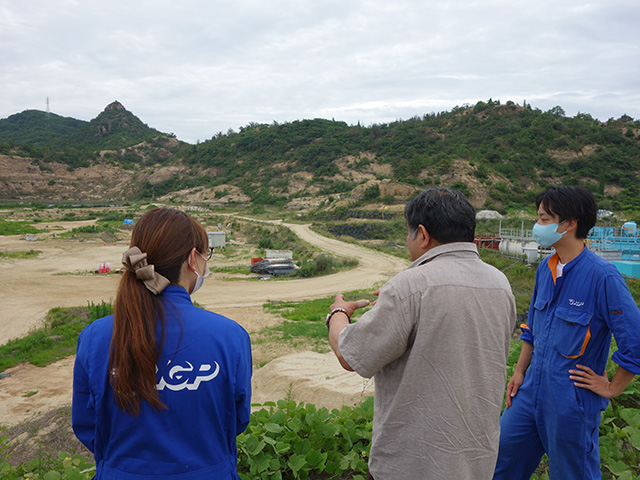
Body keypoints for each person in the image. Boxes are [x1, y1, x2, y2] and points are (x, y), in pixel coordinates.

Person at [327, 187, 516, 480]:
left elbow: (349, 355)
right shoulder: (500, 284)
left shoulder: (409, 285)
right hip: (476, 463)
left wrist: (338, 313)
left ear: (423, 235)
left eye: (409, 233)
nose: (408, 241)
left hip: (414, 464)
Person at [72, 208, 252, 480]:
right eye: (206, 256)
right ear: (193, 259)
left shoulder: (94, 337)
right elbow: (237, 419)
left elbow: (87, 425)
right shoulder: (229, 336)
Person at [493, 186, 640, 479]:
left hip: (570, 400)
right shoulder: (545, 269)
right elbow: (532, 329)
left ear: (569, 224)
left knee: (571, 474)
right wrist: (520, 371)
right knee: (500, 461)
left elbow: (634, 342)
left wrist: (612, 388)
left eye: (544, 219)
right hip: (530, 390)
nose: (538, 227)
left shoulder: (603, 277)